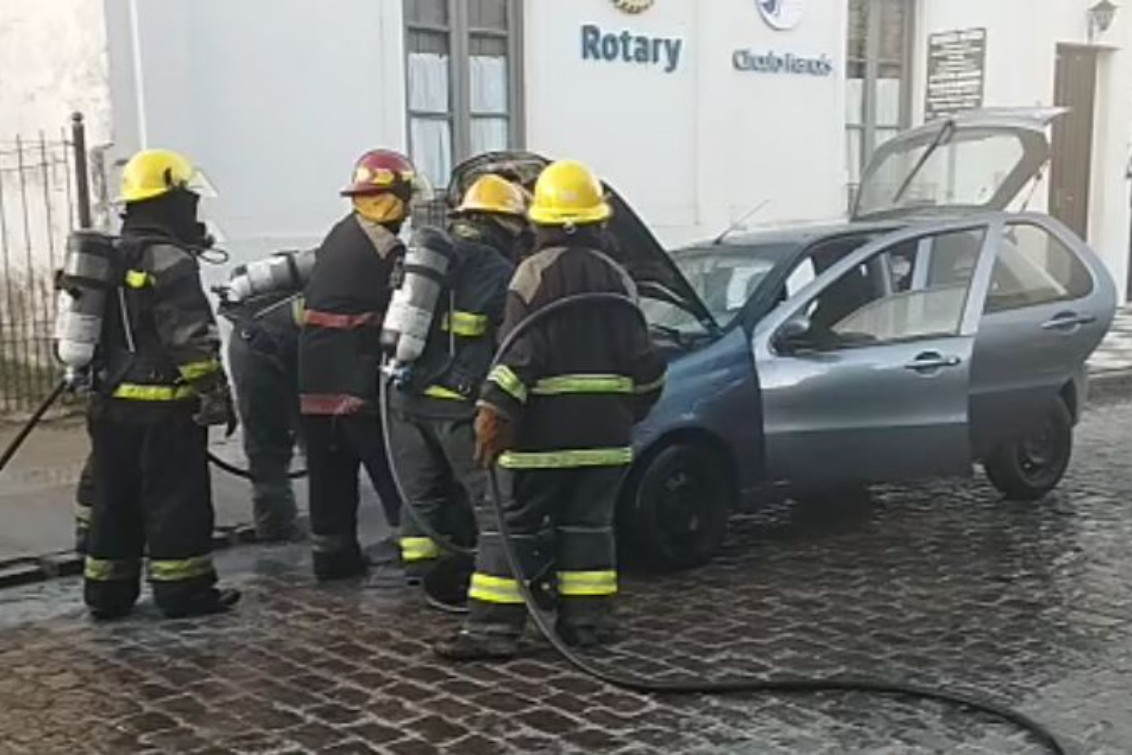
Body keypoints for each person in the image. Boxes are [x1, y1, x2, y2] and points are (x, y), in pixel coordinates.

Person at [435, 160, 667, 660]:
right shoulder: (619, 279)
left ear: (541, 221)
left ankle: (491, 632)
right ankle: (588, 625)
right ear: (596, 222)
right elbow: (645, 365)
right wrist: (628, 411)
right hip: (605, 441)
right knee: (589, 530)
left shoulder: (532, 274)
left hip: (540, 440)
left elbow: (519, 354)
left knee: (509, 530)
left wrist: (493, 411)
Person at [83, 148, 240, 620]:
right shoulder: (170, 259)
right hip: (164, 408)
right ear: (168, 200)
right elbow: (190, 338)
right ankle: (184, 592)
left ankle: (107, 594)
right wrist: (215, 394)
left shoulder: (106, 256)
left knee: (114, 499)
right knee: (175, 501)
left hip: (109, 404)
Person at [387, 175, 529, 609]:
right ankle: (492, 580)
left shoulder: (432, 257)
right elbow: (508, 339)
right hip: (457, 402)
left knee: (420, 492)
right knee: (490, 496)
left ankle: (423, 573)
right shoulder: (496, 267)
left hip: (405, 397)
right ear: (502, 222)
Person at [299, 149, 425, 582]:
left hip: (315, 381)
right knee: (394, 472)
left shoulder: (340, 235)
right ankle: (418, 559)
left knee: (329, 476)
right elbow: (402, 317)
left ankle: (332, 558)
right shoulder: (387, 250)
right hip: (357, 384)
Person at [220, 264, 309, 543]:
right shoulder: (349, 288)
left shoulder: (272, 303)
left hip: (246, 341)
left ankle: (274, 525)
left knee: (264, 442)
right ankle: (328, 524)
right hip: (284, 349)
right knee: (319, 438)